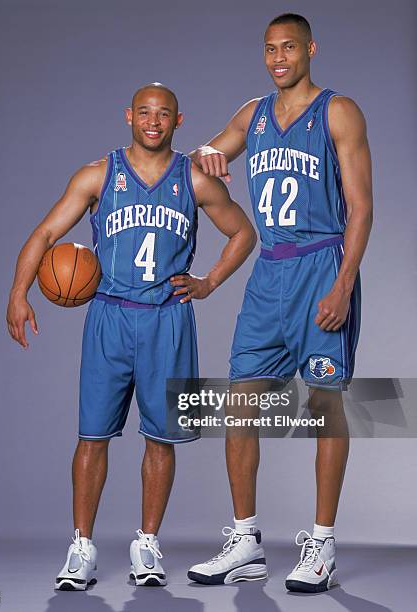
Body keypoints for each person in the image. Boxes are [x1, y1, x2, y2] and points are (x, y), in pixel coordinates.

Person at [6, 83, 256, 590]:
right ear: (129, 116)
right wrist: (19, 291)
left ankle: (147, 544)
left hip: (168, 318)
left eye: (163, 114)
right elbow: (45, 234)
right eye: (144, 112)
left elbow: (243, 232)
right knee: (91, 436)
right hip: (110, 318)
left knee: (160, 440)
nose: (153, 121)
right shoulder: (99, 174)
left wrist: (207, 282)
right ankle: (82, 548)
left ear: (178, 121)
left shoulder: (193, 178)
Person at [187, 13, 373, 593]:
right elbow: (201, 159)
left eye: (289, 47)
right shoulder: (254, 113)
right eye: (270, 50)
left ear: (310, 48)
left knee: (324, 403)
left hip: (322, 264)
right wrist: (205, 154)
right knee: (239, 403)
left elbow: (362, 207)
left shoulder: (338, 111)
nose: (278, 59)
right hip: (269, 273)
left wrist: (343, 283)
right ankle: (245, 541)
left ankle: (322, 543)